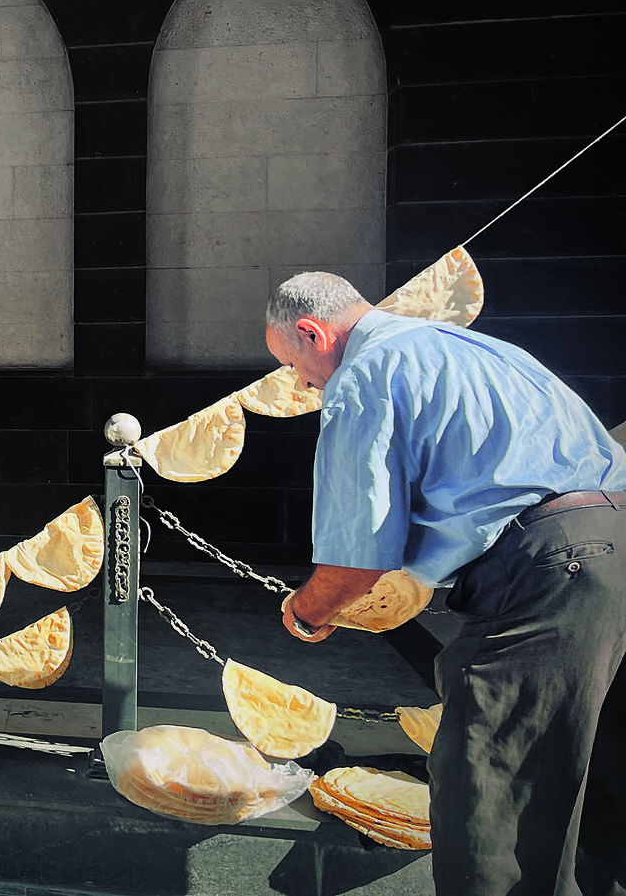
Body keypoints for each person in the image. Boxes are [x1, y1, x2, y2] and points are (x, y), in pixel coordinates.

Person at [265, 270, 626, 896]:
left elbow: (357, 557)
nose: (302, 382)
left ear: (311, 331)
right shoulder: (476, 347)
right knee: (604, 776)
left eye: (294, 364)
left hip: (547, 570)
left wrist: (308, 610)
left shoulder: (364, 375)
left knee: (494, 796)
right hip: (617, 542)